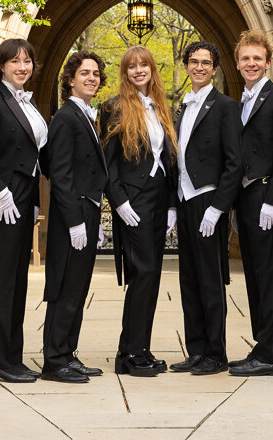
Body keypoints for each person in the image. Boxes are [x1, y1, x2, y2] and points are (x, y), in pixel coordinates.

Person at [0, 38, 47, 384]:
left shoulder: (28, 105)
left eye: (27, 61)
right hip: (2, 204)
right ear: (1, 66)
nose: (22, 67)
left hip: (23, 200)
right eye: (15, 61)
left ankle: (13, 358)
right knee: (2, 284)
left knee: (17, 283)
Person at [100, 46, 179, 377]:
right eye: (131, 66)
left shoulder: (161, 107)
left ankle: (135, 347)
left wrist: (173, 203)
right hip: (132, 201)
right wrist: (118, 201)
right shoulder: (113, 108)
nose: (138, 70)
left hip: (158, 200)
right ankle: (132, 352)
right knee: (142, 274)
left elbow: (170, 159)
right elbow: (107, 163)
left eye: (143, 64)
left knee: (151, 275)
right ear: (125, 72)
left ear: (152, 68)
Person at [229, 30, 273, 377]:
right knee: (254, 277)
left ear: (268, 62)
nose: (251, 63)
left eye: (257, 58)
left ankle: (270, 354)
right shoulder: (238, 101)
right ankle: (261, 346)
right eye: (246, 58)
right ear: (238, 63)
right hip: (244, 199)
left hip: (266, 198)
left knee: (269, 276)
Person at [168, 41, 243, 376]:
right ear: (186, 66)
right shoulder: (183, 108)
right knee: (189, 280)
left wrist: (218, 208)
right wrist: (173, 203)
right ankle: (196, 349)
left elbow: (235, 162)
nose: (199, 67)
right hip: (185, 201)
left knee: (211, 279)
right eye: (193, 61)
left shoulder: (226, 106)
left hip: (208, 201)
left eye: (206, 63)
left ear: (214, 69)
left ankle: (216, 352)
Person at [39, 51, 108, 383]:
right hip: (73, 214)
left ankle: (67, 353)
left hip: (87, 209)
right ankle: (54, 361)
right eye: (84, 73)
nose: (91, 77)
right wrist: (74, 221)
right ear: (70, 79)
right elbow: (60, 174)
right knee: (64, 288)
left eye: (95, 73)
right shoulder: (65, 117)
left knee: (78, 288)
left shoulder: (85, 115)